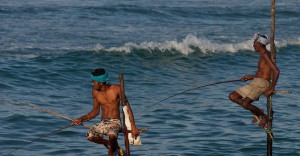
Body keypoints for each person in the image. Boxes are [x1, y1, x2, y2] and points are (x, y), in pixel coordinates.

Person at [72, 68, 139, 156]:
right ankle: (114, 146)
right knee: (90, 136)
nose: (92, 83)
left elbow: (127, 108)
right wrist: (81, 119)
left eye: (93, 81)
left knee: (112, 135)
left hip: (115, 122)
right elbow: (95, 111)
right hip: (103, 122)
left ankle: (112, 150)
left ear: (100, 82)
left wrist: (133, 127)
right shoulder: (95, 92)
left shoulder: (116, 89)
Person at [229, 33, 280, 128]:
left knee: (245, 103)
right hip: (255, 81)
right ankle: (257, 110)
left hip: (262, 84)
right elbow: (263, 72)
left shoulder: (265, 55)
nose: (253, 45)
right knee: (233, 96)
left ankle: (264, 117)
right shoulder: (262, 55)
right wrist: (251, 77)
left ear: (260, 44)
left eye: (254, 43)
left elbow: (276, 71)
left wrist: (272, 89)